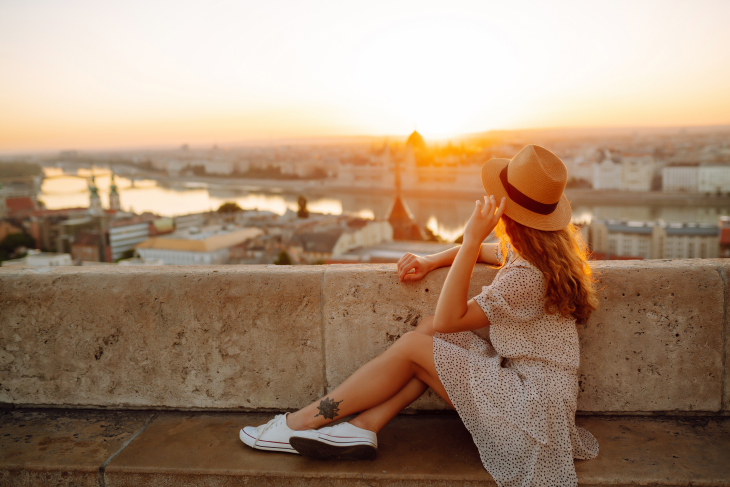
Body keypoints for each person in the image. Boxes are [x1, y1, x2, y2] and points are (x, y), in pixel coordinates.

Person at [240, 145, 600, 486]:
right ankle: (364, 426)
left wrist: (472, 237)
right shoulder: (541, 252)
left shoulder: (527, 275)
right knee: (428, 333)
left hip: (532, 413)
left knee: (419, 343)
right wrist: (432, 259)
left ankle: (301, 423)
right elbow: (492, 256)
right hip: (539, 396)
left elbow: (449, 317)